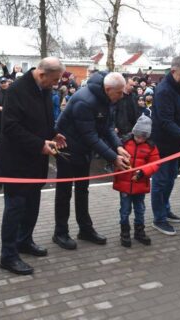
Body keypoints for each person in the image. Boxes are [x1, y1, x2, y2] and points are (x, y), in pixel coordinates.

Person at [0, 58, 67, 275]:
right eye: (54, 80)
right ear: (42, 74)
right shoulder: (16, 90)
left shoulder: (44, 88)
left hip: (36, 162)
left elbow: (43, 119)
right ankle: (8, 256)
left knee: (32, 206)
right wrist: (39, 145)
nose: (56, 84)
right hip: (16, 164)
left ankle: (24, 241)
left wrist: (52, 133)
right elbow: (10, 127)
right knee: (15, 209)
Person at [53, 72, 131, 250]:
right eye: (119, 92)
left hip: (83, 149)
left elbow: (108, 127)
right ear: (108, 89)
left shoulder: (107, 98)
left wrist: (118, 146)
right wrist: (113, 158)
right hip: (66, 149)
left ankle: (85, 229)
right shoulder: (85, 101)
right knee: (64, 192)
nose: (122, 96)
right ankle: (60, 232)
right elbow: (90, 136)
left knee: (83, 190)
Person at [150, 56, 180, 235]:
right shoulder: (164, 91)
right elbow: (166, 122)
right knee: (160, 182)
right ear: (173, 71)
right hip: (162, 144)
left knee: (170, 179)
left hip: (176, 144)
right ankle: (159, 219)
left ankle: (165, 208)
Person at [112, 115, 160, 247]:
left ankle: (139, 232)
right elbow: (114, 156)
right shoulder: (124, 142)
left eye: (143, 137)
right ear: (134, 132)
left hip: (140, 184)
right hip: (124, 183)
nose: (139, 139)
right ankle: (125, 233)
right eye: (137, 136)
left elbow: (155, 163)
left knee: (140, 209)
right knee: (125, 210)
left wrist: (143, 173)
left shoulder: (151, 146)